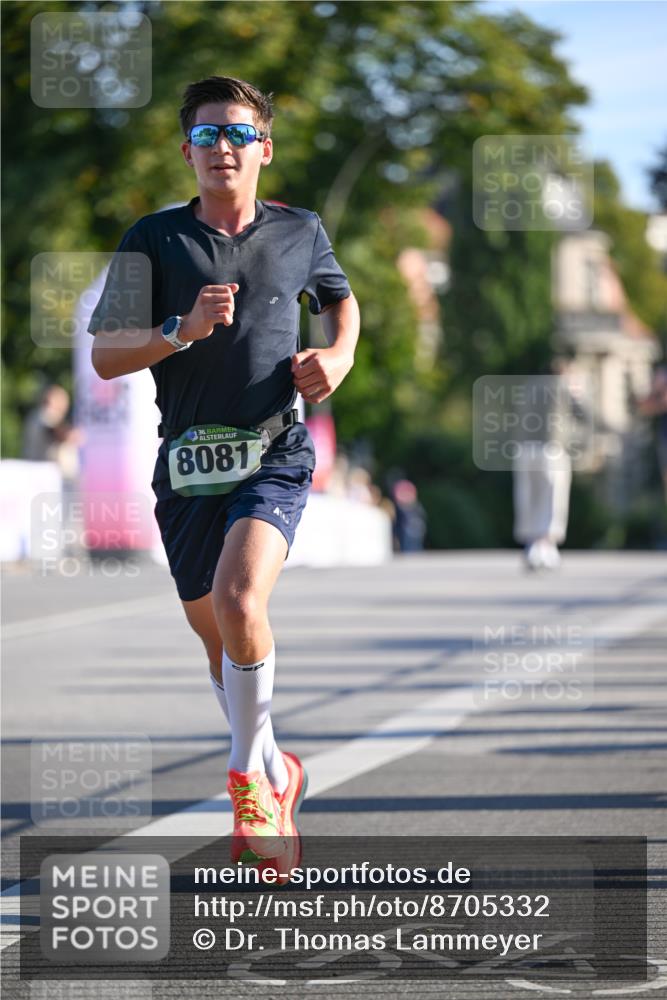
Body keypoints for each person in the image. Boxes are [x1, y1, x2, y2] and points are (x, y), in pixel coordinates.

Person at [87, 76, 360, 876]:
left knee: (242, 602)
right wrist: (180, 330)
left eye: (238, 134)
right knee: (221, 643)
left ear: (263, 149)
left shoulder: (299, 230)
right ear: (187, 152)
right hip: (186, 465)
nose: (223, 149)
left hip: (273, 450)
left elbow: (340, 303)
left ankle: (246, 783)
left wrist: (338, 356)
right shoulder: (153, 238)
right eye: (207, 136)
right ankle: (276, 769)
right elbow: (106, 356)